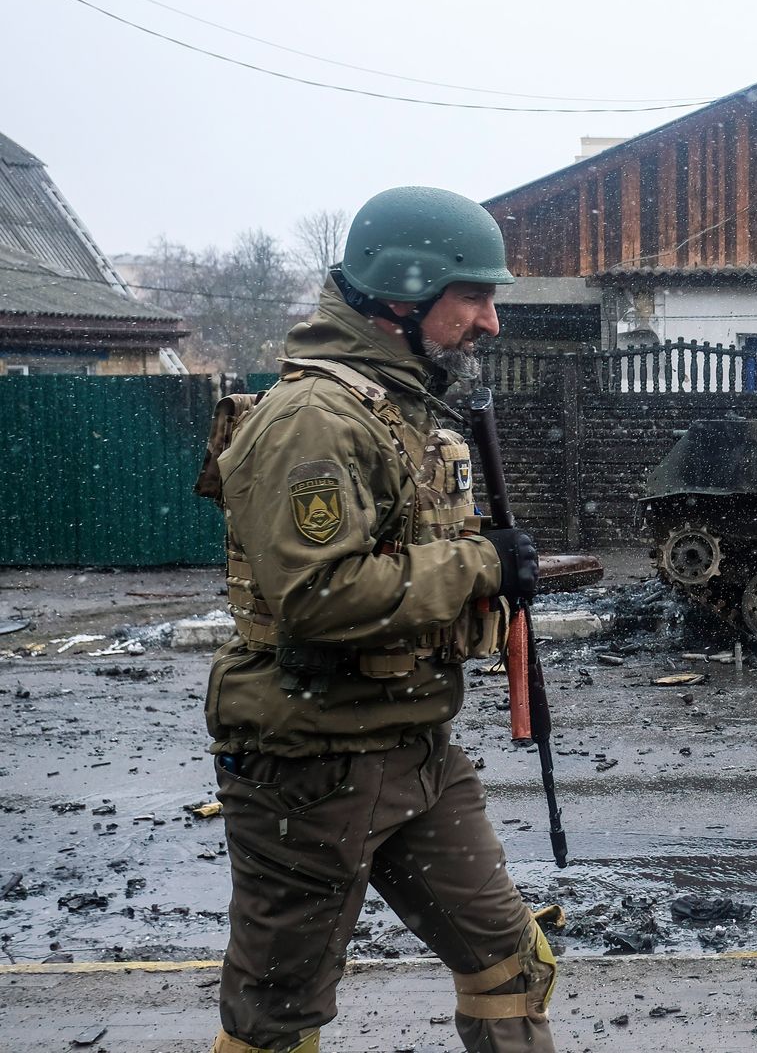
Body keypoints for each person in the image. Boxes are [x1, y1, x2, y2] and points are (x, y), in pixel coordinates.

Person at [201, 186, 554, 1053]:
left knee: (514, 963)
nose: (491, 322)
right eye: (474, 296)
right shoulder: (314, 420)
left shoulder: (395, 406)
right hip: (312, 764)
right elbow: (319, 597)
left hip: (414, 747)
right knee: (274, 1024)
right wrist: (482, 564)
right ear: (404, 292)